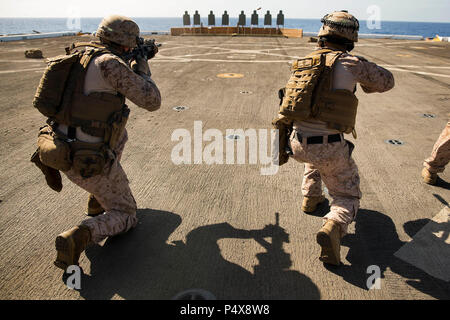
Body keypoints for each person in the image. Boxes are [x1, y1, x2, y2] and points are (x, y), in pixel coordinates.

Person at [31, 15, 161, 270]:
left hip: (58, 145)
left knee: (121, 135)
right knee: (127, 215)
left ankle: (97, 199)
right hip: (87, 159)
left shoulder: (81, 54)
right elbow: (152, 101)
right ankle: (79, 236)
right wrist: (142, 65)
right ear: (125, 44)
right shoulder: (110, 64)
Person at [273, 11, 394, 265]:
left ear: (322, 35)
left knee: (315, 158)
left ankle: (311, 197)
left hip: (295, 142)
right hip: (328, 145)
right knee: (347, 195)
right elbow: (386, 82)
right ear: (350, 37)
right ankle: (333, 227)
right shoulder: (352, 63)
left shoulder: (302, 62)